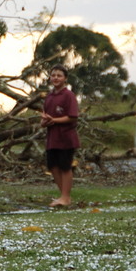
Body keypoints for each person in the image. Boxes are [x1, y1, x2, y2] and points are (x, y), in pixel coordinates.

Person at [40, 65, 80, 208]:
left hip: (66, 137)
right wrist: (44, 122)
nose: (56, 78)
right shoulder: (49, 97)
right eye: (53, 75)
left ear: (65, 79)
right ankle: (63, 196)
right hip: (52, 138)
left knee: (65, 166)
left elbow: (72, 117)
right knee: (53, 166)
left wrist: (54, 120)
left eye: (59, 75)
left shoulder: (68, 95)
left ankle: (65, 198)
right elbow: (45, 118)